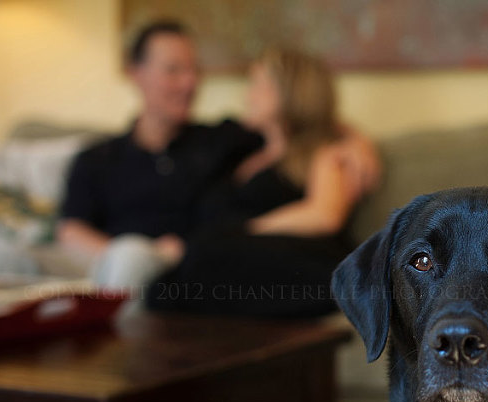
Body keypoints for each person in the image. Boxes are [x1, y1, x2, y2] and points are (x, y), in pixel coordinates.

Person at [56, 21, 378, 290]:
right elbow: (69, 231)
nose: (190, 82)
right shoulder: (96, 157)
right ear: (135, 73)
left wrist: (357, 142)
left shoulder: (222, 140)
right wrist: (122, 257)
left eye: (194, 70)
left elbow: (306, 122)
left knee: (140, 264)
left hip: (188, 265)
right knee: (19, 259)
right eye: (173, 70)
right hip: (118, 262)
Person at [144, 47, 374, 317]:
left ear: (290, 94)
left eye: (258, 85)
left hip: (300, 261)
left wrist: (245, 231)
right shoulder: (244, 146)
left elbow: (325, 215)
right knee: (165, 288)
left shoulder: (325, 152)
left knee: (196, 266)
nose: (247, 95)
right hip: (234, 260)